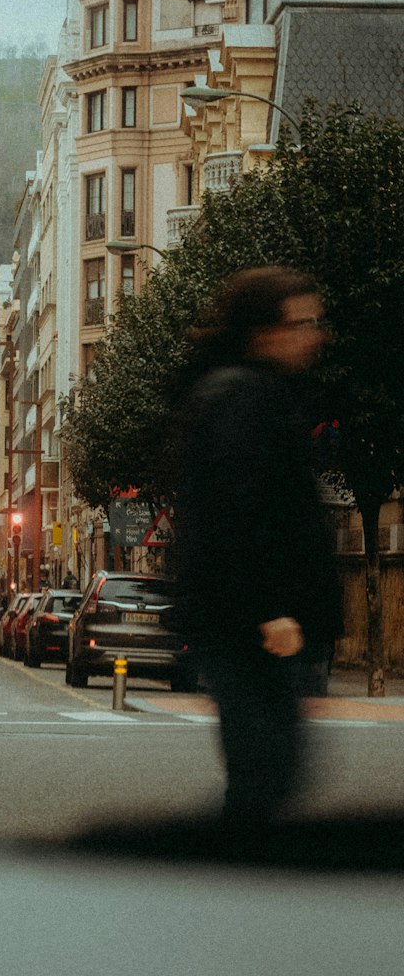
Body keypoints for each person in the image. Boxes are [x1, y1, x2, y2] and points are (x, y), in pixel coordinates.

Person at [173, 266, 342, 825]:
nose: (315, 334)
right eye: (303, 322)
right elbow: (234, 517)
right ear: (265, 331)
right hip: (256, 629)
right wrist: (270, 611)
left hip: (260, 626)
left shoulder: (262, 393)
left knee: (265, 782)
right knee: (264, 783)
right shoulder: (241, 398)